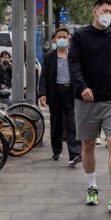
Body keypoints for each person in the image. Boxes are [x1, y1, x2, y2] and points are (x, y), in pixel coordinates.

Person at [68, 0, 111, 214]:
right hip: (86, 100)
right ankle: (92, 187)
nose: (108, 14)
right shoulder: (80, 36)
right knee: (87, 145)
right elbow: (74, 64)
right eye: (105, 10)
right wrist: (81, 87)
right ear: (95, 12)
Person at [38, 27, 83, 166]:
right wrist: (42, 94)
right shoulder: (49, 57)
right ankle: (56, 150)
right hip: (55, 92)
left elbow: (81, 73)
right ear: (54, 40)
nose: (62, 40)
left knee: (72, 122)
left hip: (71, 91)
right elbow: (43, 76)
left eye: (64, 37)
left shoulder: (75, 55)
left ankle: (75, 154)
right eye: (59, 37)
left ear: (69, 39)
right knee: (56, 123)